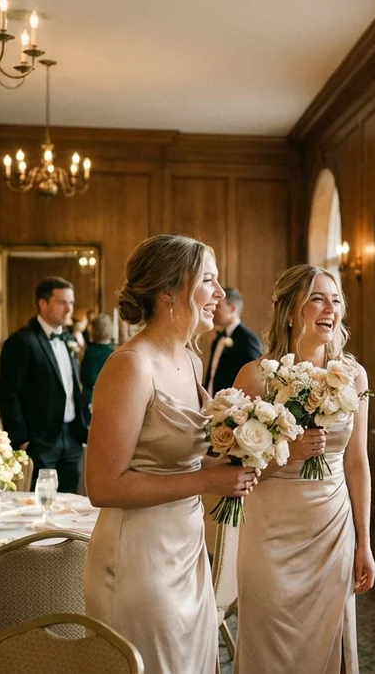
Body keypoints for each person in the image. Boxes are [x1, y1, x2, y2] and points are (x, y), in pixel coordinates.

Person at [82, 234, 258, 673]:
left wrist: (240, 456)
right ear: (168, 291)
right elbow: (102, 486)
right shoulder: (131, 366)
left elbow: (187, 457)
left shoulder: (191, 361)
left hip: (187, 546)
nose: (219, 294)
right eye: (209, 281)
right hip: (138, 558)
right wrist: (206, 481)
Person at [231, 265, 375, 674]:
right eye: (317, 297)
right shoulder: (257, 377)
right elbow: (233, 470)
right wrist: (288, 453)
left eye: (335, 299)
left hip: (331, 528)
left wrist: (364, 543)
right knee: (270, 641)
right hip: (270, 533)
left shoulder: (354, 375)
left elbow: (357, 462)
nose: (330, 307)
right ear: (291, 311)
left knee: (330, 643)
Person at [0, 277, 89, 493]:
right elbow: (8, 395)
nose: (69, 309)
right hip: (39, 441)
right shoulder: (21, 341)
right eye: (62, 302)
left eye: (71, 303)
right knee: (38, 506)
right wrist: (22, 440)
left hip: (72, 438)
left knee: (69, 505)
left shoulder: (69, 340)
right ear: (43, 303)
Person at [205, 286, 263, 395]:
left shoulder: (247, 340)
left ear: (232, 309)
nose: (213, 310)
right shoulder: (219, 337)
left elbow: (254, 377)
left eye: (218, 306)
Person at [80, 313, 115, 414]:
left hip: (89, 397)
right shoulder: (112, 352)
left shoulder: (90, 351)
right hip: (106, 397)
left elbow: (84, 376)